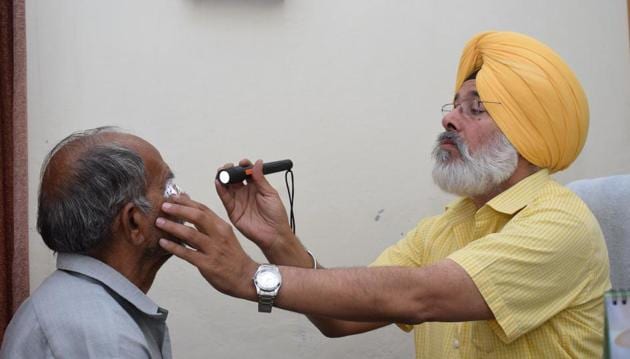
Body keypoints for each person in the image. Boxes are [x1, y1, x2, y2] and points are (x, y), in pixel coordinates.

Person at [156, 31, 610, 358]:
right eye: (453, 105)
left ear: (526, 134)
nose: (450, 119)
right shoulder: (445, 227)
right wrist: (276, 241)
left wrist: (249, 277)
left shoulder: (561, 222)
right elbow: (343, 319)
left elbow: (419, 295)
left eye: (476, 109)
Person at [0, 127, 180, 359]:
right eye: (167, 188)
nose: (181, 198)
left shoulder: (72, 306)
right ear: (133, 222)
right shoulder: (109, 337)